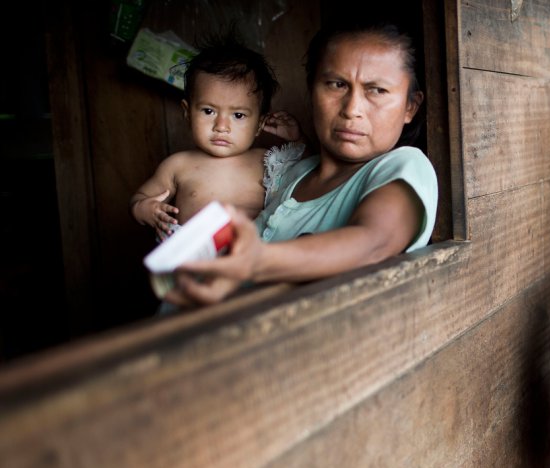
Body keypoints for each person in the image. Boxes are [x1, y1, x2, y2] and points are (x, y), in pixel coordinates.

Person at [162, 23, 437, 307]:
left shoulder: (404, 166)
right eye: (337, 84)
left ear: (409, 107)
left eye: (377, 90)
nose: (351, 109)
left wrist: (256, 260)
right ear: (311, 90)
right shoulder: (289, 172)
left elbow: (373, 243)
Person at [129, 35, 303, 241]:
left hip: (254, 259)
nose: (221, 127)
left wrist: (299, 139)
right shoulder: (178, 165)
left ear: (260, 124)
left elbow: (312, 177)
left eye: (238, 115)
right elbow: (139, 199)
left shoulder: (267, 161)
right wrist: (147, 209)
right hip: (195, 260)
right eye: (209, 111)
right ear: (187, 112)